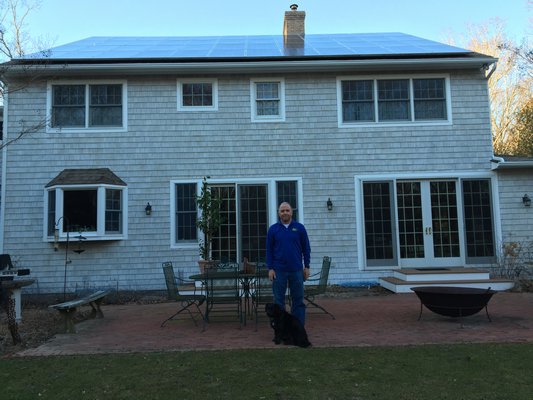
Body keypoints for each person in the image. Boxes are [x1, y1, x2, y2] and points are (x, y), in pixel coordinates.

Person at [266, 202, 311, 326]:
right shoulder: (273, 229)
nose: (285, 213)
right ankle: (281, 328)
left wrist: (306, 266)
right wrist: (270, 268)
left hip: (296, 270)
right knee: (279, 302)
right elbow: (269, 250)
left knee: (298, 301)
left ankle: (298, 328)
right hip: (278, 271)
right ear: (279, 213)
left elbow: (306, 248)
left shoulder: (300, 228)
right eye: (282, 211)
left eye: (287, 210)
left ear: (291, 212)